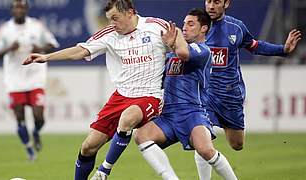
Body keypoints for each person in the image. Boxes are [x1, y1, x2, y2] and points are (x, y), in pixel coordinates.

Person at [22, 0, 170, 179]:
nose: (111, 24)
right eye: (109, 19)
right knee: (88, 147)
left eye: (115, 18)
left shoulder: (156, 26)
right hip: (121, 96)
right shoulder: (109, 34)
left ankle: (103, 171)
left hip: (150, 95)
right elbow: (79, 51)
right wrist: (46, 57)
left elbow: (180, 43)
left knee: (127, 118)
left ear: (130, 13)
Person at [194, 0, 302, 179]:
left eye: (217, 2)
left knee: (237, 144)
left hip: (230, 95)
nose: (211, 6)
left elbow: (255, 46)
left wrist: (283, 50)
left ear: (226, 3)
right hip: (205, 94)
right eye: (208, 1)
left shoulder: (236, 27)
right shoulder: (197, 26)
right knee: (202, 140)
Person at [134, 8, 238, 180]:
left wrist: (175, 39)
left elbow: (183, 52)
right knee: (141, 135)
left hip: (193, 113)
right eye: (184, 24)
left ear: (204, 28)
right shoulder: (170, 56)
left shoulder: (203, 51)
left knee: (205, 150)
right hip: (168, 115)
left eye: (191, 24)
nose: (185, 28)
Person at [0, 0, 59, 161]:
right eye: (16, 7)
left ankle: (36, 132)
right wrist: (8, 49)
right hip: (15, 80)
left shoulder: (37, 26)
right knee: (20, 118)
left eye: (22, 7)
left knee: (39, 117)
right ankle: (29, 148)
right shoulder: (5, 30)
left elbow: (52, 45)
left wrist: (39, 49)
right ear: (12, 10)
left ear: (26, 9)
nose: (19, 10)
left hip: (35, 77)